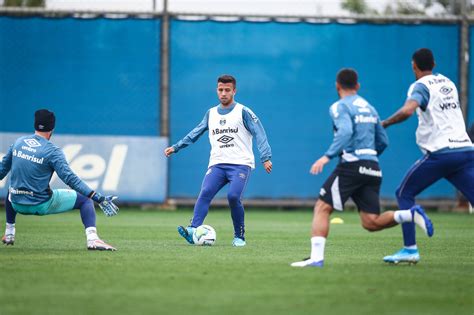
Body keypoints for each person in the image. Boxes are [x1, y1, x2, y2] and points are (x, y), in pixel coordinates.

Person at [291, 68, 433, 268]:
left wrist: (327, 156)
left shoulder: (339, 106)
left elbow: (346, 131)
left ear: (337, 86)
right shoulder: (370, 107)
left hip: (351, 166)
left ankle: (316, 259)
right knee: (371, 222)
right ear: (357, 86)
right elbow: (383, 140)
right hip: (372, 167)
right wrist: (369, 158)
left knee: (322, 207)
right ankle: (410, 214)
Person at [381, 48, 474, 263]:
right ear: (434, 63)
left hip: (442, 153)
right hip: (466, 151)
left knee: (404, 193)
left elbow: (407, 110)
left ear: (414, 65)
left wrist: (384, 123)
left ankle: (410, 250)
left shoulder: (420, 86)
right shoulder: (447, 82)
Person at [164, 75, 272, 246]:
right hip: (217, 164)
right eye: (220, 90)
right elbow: (196, 132)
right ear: (217, 90)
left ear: (234, 91)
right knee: (205, 192)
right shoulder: (211, 113)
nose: (223, 93)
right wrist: (176, 147)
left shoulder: (243, 111)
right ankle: (193, 229)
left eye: (227, 90)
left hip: (240, 164)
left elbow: (260, 133)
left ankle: (239, 236)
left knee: (233, 196)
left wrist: (265, 157)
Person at [0, 109, 119, 251]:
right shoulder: (52, 151)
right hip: (40, 204)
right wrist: (97, 197)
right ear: (52, 129)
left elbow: (1, 171)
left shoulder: (18, 143)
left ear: (35, 125)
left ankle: (9, 233)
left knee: (12, 189)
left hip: (16, 204)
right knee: (85, 200)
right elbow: (70, 179)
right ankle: (93, 239)